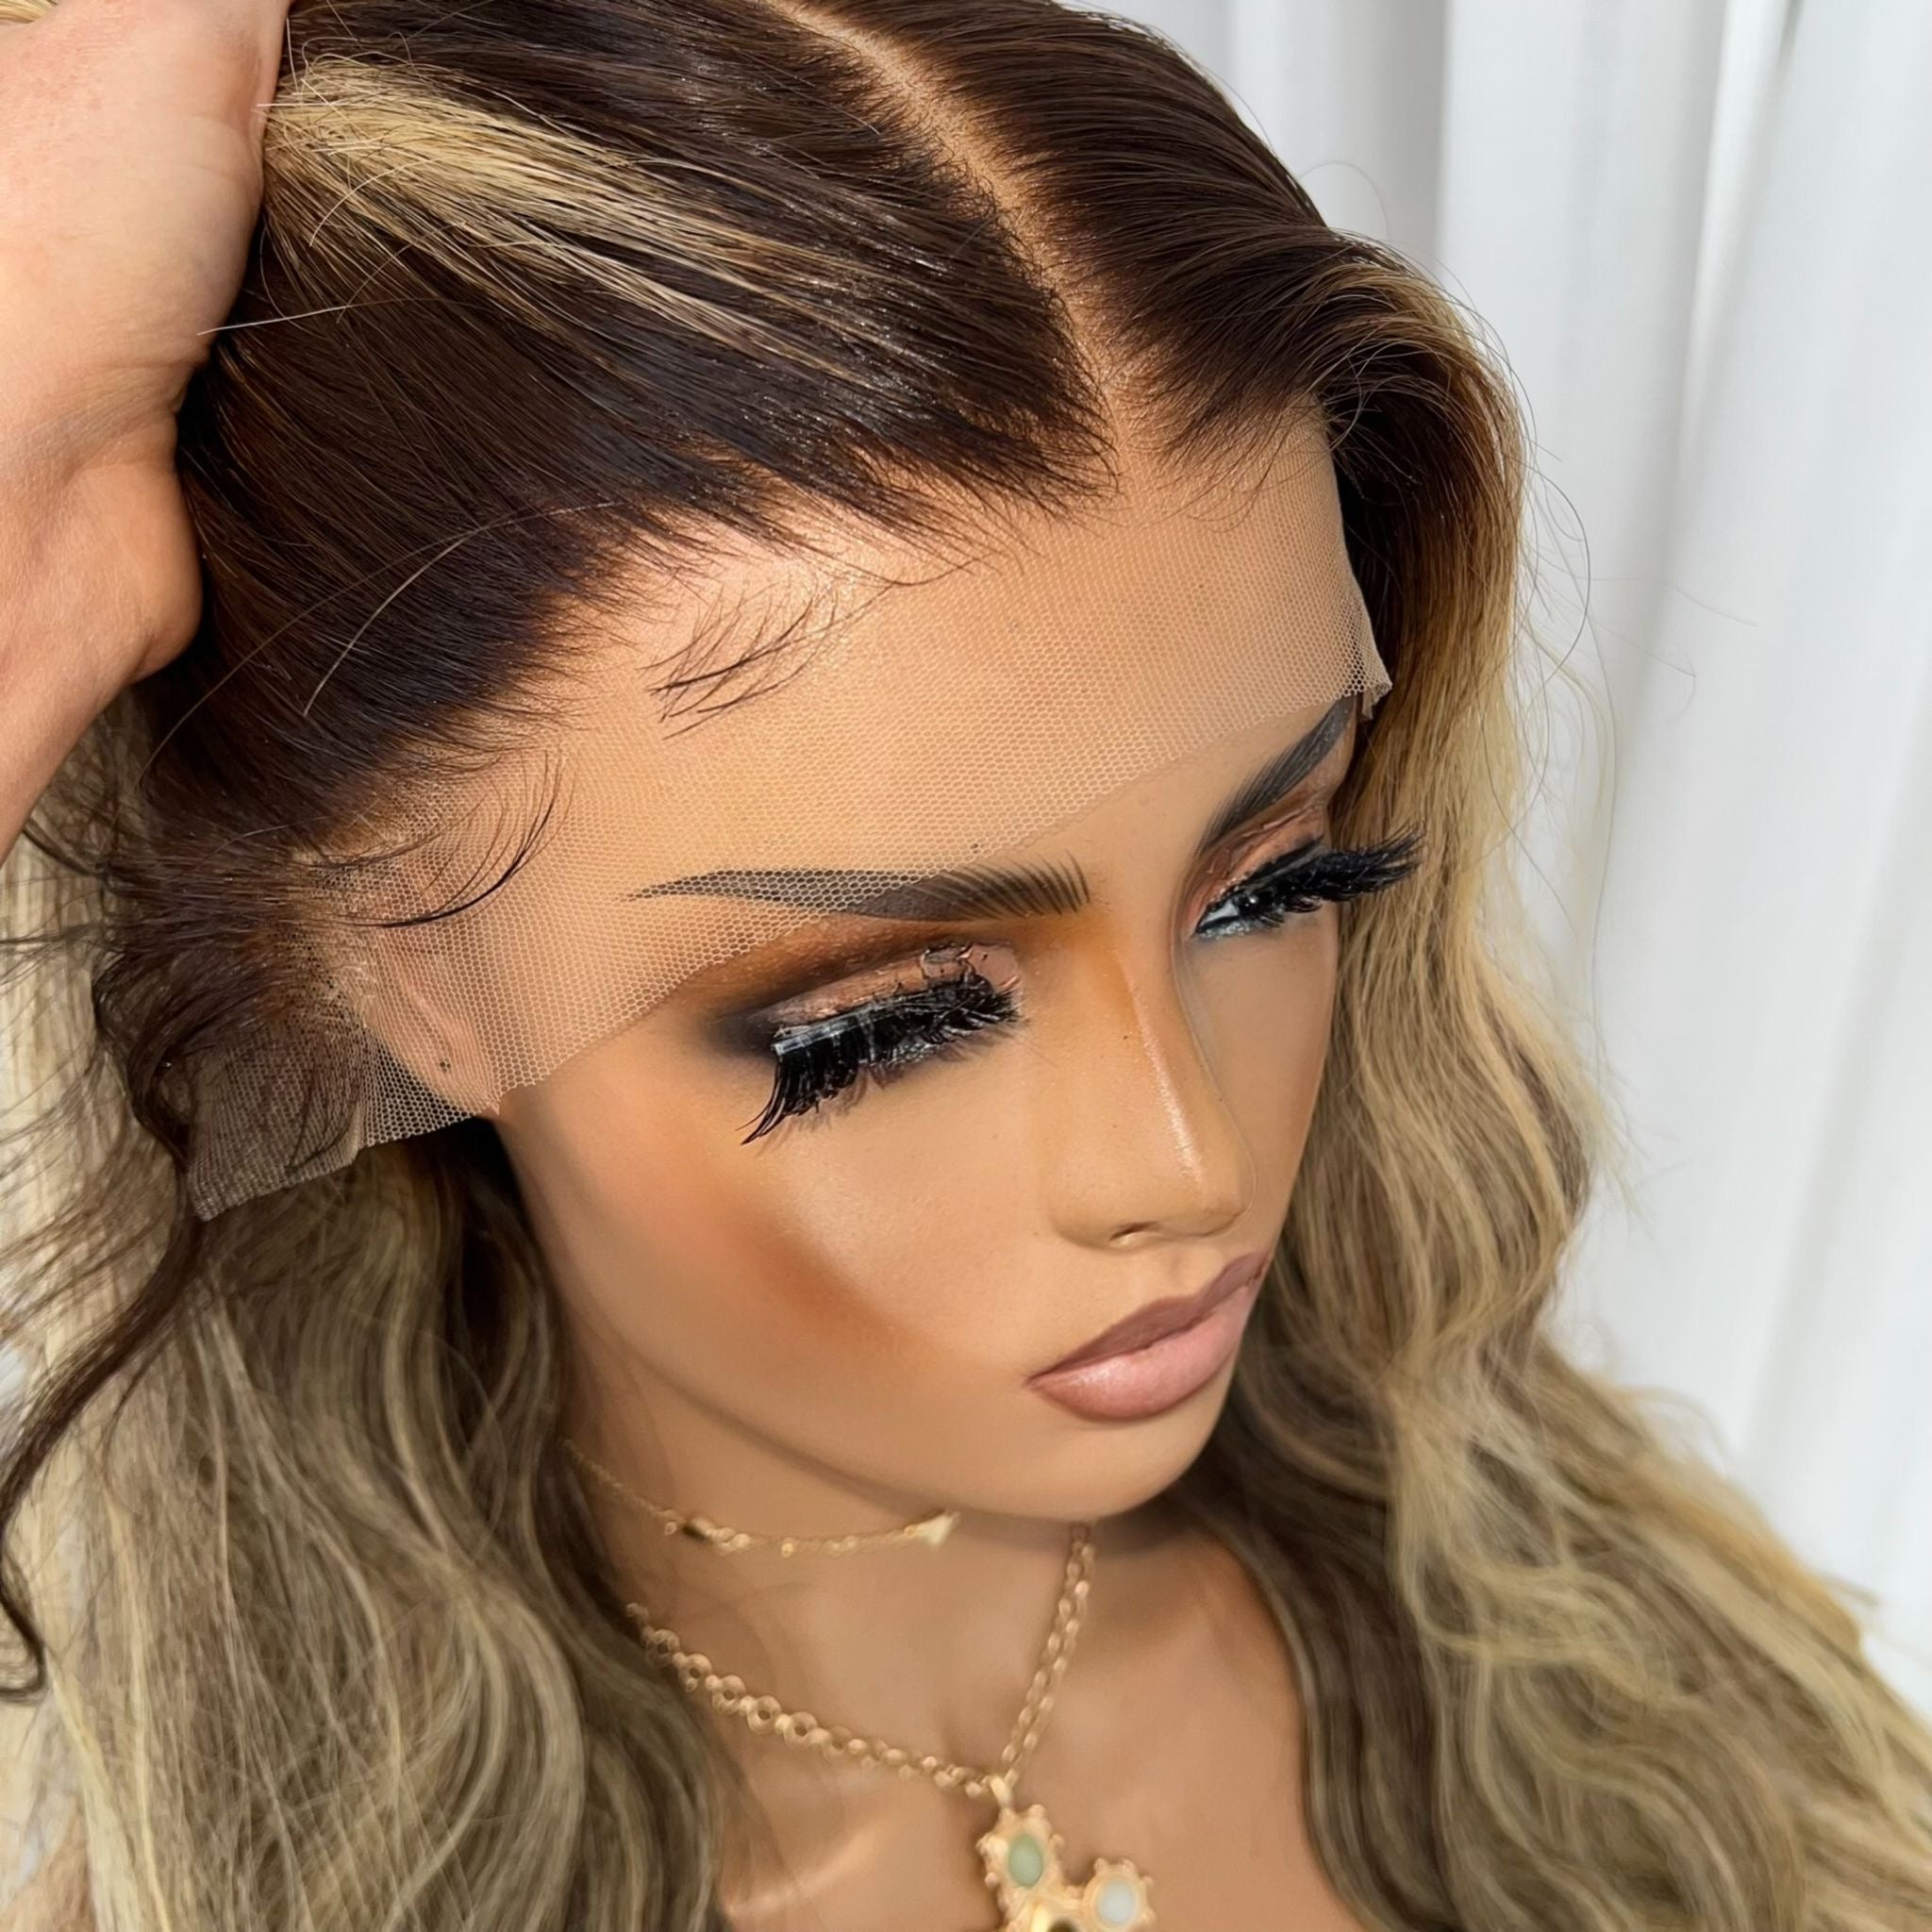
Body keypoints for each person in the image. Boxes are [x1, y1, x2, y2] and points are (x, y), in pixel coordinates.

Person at [2, 2, 1929, 1929]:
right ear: (397, 974)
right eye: (891, 1024)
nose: (1183, 1161)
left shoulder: (1601, 1663)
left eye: (1274, 885)